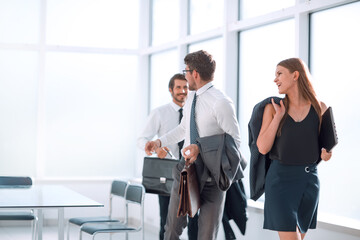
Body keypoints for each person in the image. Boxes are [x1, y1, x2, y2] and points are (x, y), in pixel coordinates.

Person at [145, 50, 242, 240]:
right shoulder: (190, 97)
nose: (185, 75)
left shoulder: (221, 102)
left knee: (206, 236)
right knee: (171, 230)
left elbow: (235, 143)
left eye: (186, 71)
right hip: (187, 171)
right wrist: (159, 141)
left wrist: (201, 147)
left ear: (195, 73)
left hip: (213, 178)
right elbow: (183, 128)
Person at [256, 58, 332, 240]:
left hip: (308, 181)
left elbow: (326, 150)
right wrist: (278, 117)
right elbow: (263, 148)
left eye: (279, 73)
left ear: (295, 75)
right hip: (280, 181)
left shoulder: (320, 108)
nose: (275, 79)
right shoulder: (273, 108)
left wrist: (327, 154)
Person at [137, 73, 198, 240]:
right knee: (167, 220)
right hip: (167, 174)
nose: (182, 91)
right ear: (171, 90)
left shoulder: (195, 112)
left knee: (195, 220)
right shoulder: (159, 113)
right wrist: (157, 150)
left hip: (192, 171)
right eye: (178, 87)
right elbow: (141, 139)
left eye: (185, 87)